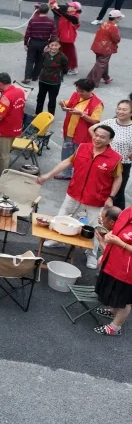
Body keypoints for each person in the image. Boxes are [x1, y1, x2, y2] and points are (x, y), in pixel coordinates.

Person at [38, 125, 122, 261]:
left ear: (110, 140)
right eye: (96, 135)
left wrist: (111, 197)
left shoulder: (115, 158)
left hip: (97, 198)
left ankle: (91, 254)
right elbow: (67, 162)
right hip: (74, 192)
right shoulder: (83, 147)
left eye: (102, 137)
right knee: (62, 217)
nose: (97, 139)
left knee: (95, 227)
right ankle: (57, 240)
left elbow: (118, 178)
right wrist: (48, 175)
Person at [93, 206, 132, 336]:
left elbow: (123, 241)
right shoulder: (128, 211)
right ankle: (114, 311)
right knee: (116, 293)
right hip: (115, 263)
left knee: (125, 300)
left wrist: (120, 242)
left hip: (128, 271)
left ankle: (115, 327)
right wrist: (111, 233)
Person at [97, 100, 132, 208]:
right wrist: (99, 144)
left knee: (117, 193)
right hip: (105, 162)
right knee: (100, 187)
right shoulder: (109, 122)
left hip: (123, 164)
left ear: (131, 113)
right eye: (119, 108)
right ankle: (94, 211)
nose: (120, 111)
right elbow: (92, 130)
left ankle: (117, 216)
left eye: (124, 110)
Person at [23, 4, 56, 83]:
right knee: (40, 60)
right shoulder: (51, 22)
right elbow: (54, 36)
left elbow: (27, 33)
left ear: (38, 10)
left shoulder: (33, 20)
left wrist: (25, 43)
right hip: (44, 43)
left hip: (33, 42)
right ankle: (35, 76)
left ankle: (27, 77)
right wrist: (49, 45)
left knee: (30, 60)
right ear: (47, 11)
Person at [88, 9, 122, 85]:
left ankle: (106, 77)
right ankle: (92, 81)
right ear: (116, 18)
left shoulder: (104, 23)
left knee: (102, 63)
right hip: (106, 49)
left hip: (97, 46)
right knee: (101, 64)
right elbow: (116, 39)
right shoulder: (113, 27)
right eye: (119, 18)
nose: (120, 19)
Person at [35, 39, 68, 116]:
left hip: (55, 82)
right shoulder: (45, 54)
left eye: (56, 45)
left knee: (52, 100)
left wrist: (58, 75)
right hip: (43, 80)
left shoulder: (63, 57)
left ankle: (50, 115)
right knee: (40, 98)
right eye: (52, 45)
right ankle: (37, 113)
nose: (54, 47)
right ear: (49, 45)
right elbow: (41, 65)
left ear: (59, 46)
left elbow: (65, 69)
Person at [50, 0, 82, 75]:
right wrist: (53, 5)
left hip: (69, 39)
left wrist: (57, 8)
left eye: (70, 6)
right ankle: (64, 67)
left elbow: (64, 15)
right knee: (62, 53)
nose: (68, 7)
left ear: (75, 9)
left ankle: (73, 68)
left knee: (70, 54)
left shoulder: (75, 17)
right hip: (62, 37)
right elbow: (57, 12)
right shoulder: (67, 14)